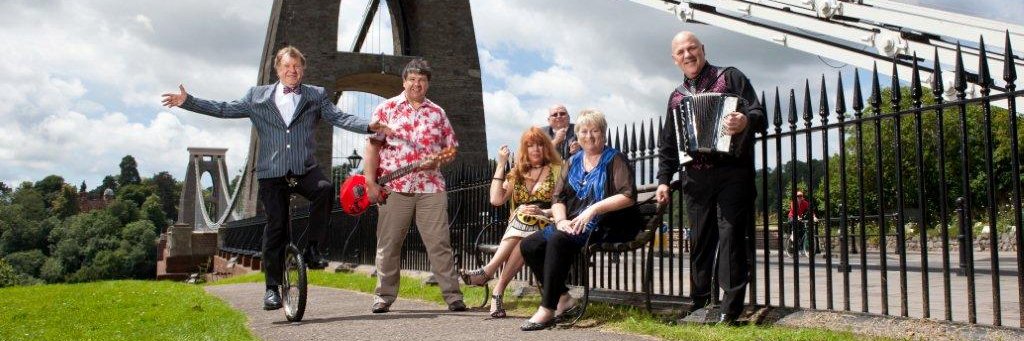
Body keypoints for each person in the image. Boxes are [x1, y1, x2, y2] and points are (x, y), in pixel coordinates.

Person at [161, 46, 391, 311]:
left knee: (325, 189)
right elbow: (224, 109)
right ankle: (271, 289)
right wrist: (189, 101)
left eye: (297, 67)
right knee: (276, 226)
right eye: (287, 67)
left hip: (304, 168)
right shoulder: (257, 97)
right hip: (272, 173)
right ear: (277, 69)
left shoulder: (315, 95)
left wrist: (368, 125)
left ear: (303, 70)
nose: (292, 71)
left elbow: (339, 117)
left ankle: (314, 249)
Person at [655, 31, 766, 325]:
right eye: (681, 52)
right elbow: (668, 144)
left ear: (703, 49)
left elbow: (758, 112)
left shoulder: (730, 77)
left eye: (692, 48)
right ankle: (700, 302)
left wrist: (745, 119)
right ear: (674, 59)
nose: (688, 55)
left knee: (730, 238)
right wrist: (664, 179)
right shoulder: (676, 97)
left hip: (732, 172)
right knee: (701, 241)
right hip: (695, 177)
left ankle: (730, 310)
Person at [518, 109, 642, 331]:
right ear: (578, 135)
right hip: (575, 223)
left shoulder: (615, 158)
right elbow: (558, 198)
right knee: (530, 244)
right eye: (584, 131)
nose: (589, 136)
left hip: (607, 223)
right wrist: (562, 219)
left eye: (595, 130)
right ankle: (564, 298)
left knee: (557, 240)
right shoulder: (573, 161)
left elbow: (628, 195)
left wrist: (593, 209)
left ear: (603, 134)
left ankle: (547, 309)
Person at [363, 58, 466, 313]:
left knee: (439, 244)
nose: (416, 84)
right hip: (394, 186)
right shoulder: (386, 109)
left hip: (431, 188)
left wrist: (437, 159)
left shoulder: (438, 113)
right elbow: (372, 147)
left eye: (421, 80)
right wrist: (369, 182)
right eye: (412, 79)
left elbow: (451, 149)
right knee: (389, 244)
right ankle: (383, 296)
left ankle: (453, 297)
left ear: (428, 84)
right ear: (404, 81)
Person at [461, 127, 564, 318]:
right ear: (524, 149)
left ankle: (488, 274)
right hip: (520, 229)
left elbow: (565, 204)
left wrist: (543, 211)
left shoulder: (558, 170)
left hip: (549, 223)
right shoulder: (517, 173)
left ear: (547, 148)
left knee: (524, 217)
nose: (535, 149)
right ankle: (497, 290)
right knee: (522, 222)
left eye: (540, 144)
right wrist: (501, 164)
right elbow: (496, 199)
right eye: (530, 145)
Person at [787, 190, 817, 257]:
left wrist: (814, 217)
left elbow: (810, 210)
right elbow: (793, 210)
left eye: (801, 196)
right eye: (798, 196)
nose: (799, 197)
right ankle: (792, 235)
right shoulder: (793, 202)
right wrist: (797, 217)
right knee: (794, 226)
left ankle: (801, 248)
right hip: (792, 217)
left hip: (800, 218)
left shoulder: (805, 203)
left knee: (802, 231)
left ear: (802, 197)